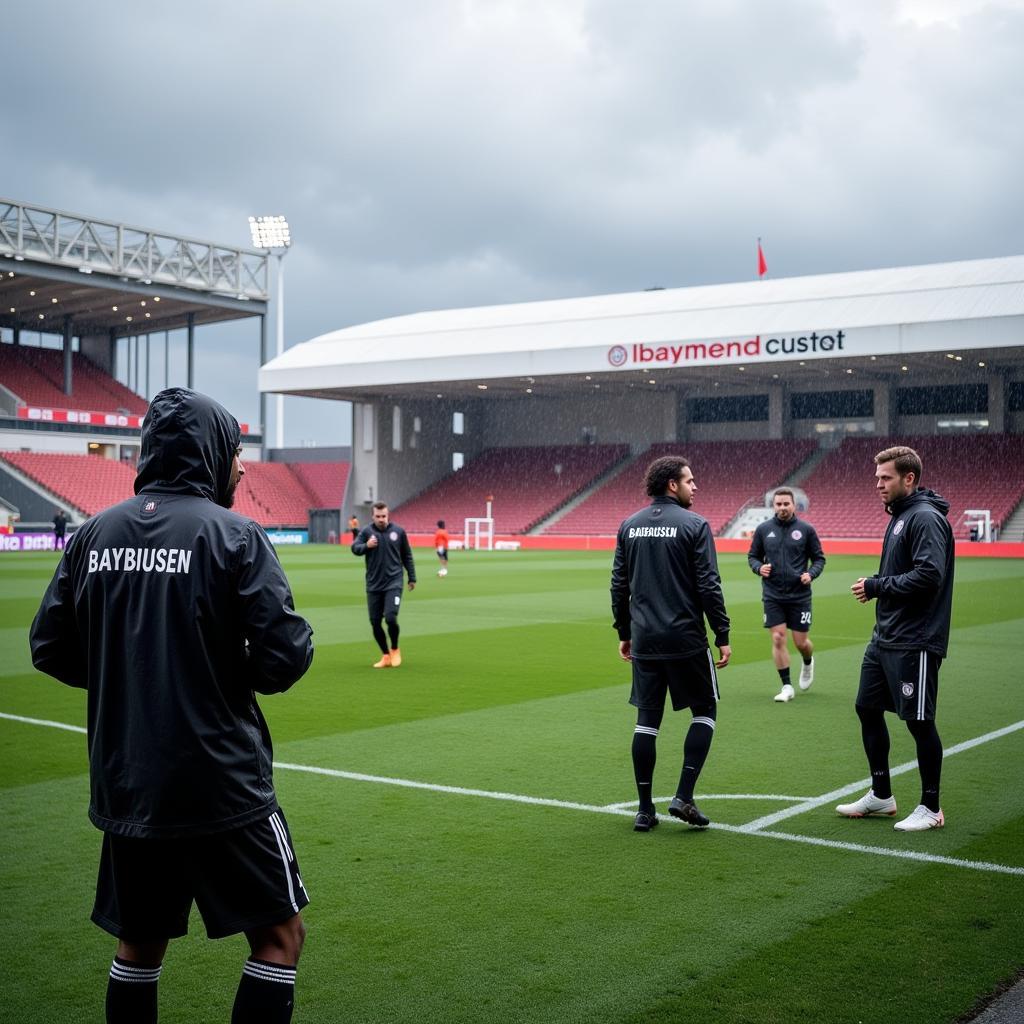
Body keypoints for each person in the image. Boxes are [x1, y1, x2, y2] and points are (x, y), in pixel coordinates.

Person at [29, 387, 315, 1024]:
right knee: (279, 937)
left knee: (139, 945)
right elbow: (286, 655)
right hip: (221, 780)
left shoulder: (92, 535)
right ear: (210, 452)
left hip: (129, 780)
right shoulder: (235, 535)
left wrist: (131, 680)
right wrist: (211, 676)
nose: (241, 467)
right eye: (235, 452)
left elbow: (47, 646)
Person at [611, 454, 731, 832]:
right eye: (690, 481)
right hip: (686, 640)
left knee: (647, 722)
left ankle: (645, 810)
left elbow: (618, 585)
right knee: (705, 711)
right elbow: (709, 586)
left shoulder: (629, 525)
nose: (695, 486)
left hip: (645, 640)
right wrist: (722, 633)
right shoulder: (695, 524)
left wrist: (624, 632)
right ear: (672, 485)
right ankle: (683, 796)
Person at [837, 445, 954, 832]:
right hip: (886, 637)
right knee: (866, 708)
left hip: (915, 639)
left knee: (919, 721)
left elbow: (929, 575)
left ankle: (931, 807)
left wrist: (876, 585)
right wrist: (880, 585)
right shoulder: (902, 515)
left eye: (885, 478)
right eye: (877, 478)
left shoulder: (924, 518)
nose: (879, 484)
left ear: (909, 478)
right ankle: (882, 795)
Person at [747, 488, 826, 703]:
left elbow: (819, 559)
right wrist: (758, 568)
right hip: (772, 594)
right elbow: (753, 556)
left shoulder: (806, 530)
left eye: (786, 504)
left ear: (794, 505)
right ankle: (787, 686)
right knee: (778, 637)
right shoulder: (763, 530)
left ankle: (808, 662)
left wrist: (811, 574)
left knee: (801, 643)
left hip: (799, 595)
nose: (782, 508)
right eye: (778, 504)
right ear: (774, 506)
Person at [351, 501, 416, 668]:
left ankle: (395, 649)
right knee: (375, 622)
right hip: (373, 584)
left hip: (394, 582)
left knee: (391, 617)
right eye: (378, 516)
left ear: (388, 515)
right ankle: (385, 655)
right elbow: (354, 548)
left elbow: (407, 555)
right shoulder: (366, 532)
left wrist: (411, 577)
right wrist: (367, 546)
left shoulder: (398, 532)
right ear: (373, 516)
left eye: (384, 516)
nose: (381, 519)